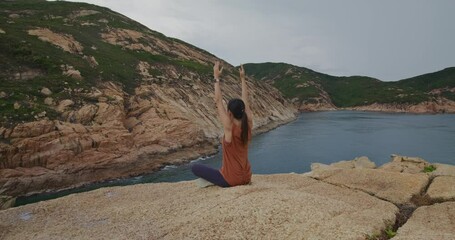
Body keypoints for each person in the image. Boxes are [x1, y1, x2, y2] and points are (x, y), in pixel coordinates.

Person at [191, 61, 253, 187]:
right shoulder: (249, 123)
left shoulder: (229, 127)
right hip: (246, 177)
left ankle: (214, 180)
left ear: (229, 113)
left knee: (195, 167)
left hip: (231, 180)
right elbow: (245, 101)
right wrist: (242, 79)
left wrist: (216, 78)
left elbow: (218, 101)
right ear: (243, 110)